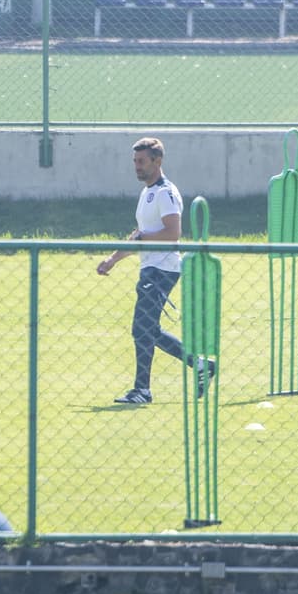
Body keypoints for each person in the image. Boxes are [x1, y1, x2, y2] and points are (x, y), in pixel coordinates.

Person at [96, 137, 213, 405]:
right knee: (146, 328)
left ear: (157, 162)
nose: (136, 166)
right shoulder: (146, 192)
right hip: (150, 268)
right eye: (135, 161)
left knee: (142, 328)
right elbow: (140, 235)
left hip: (163, 269)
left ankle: (143, 390)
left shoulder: (165, 193)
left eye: (142, 161)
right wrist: (113, 259)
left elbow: (173, 233)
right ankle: (199, 364)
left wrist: (141, 240)